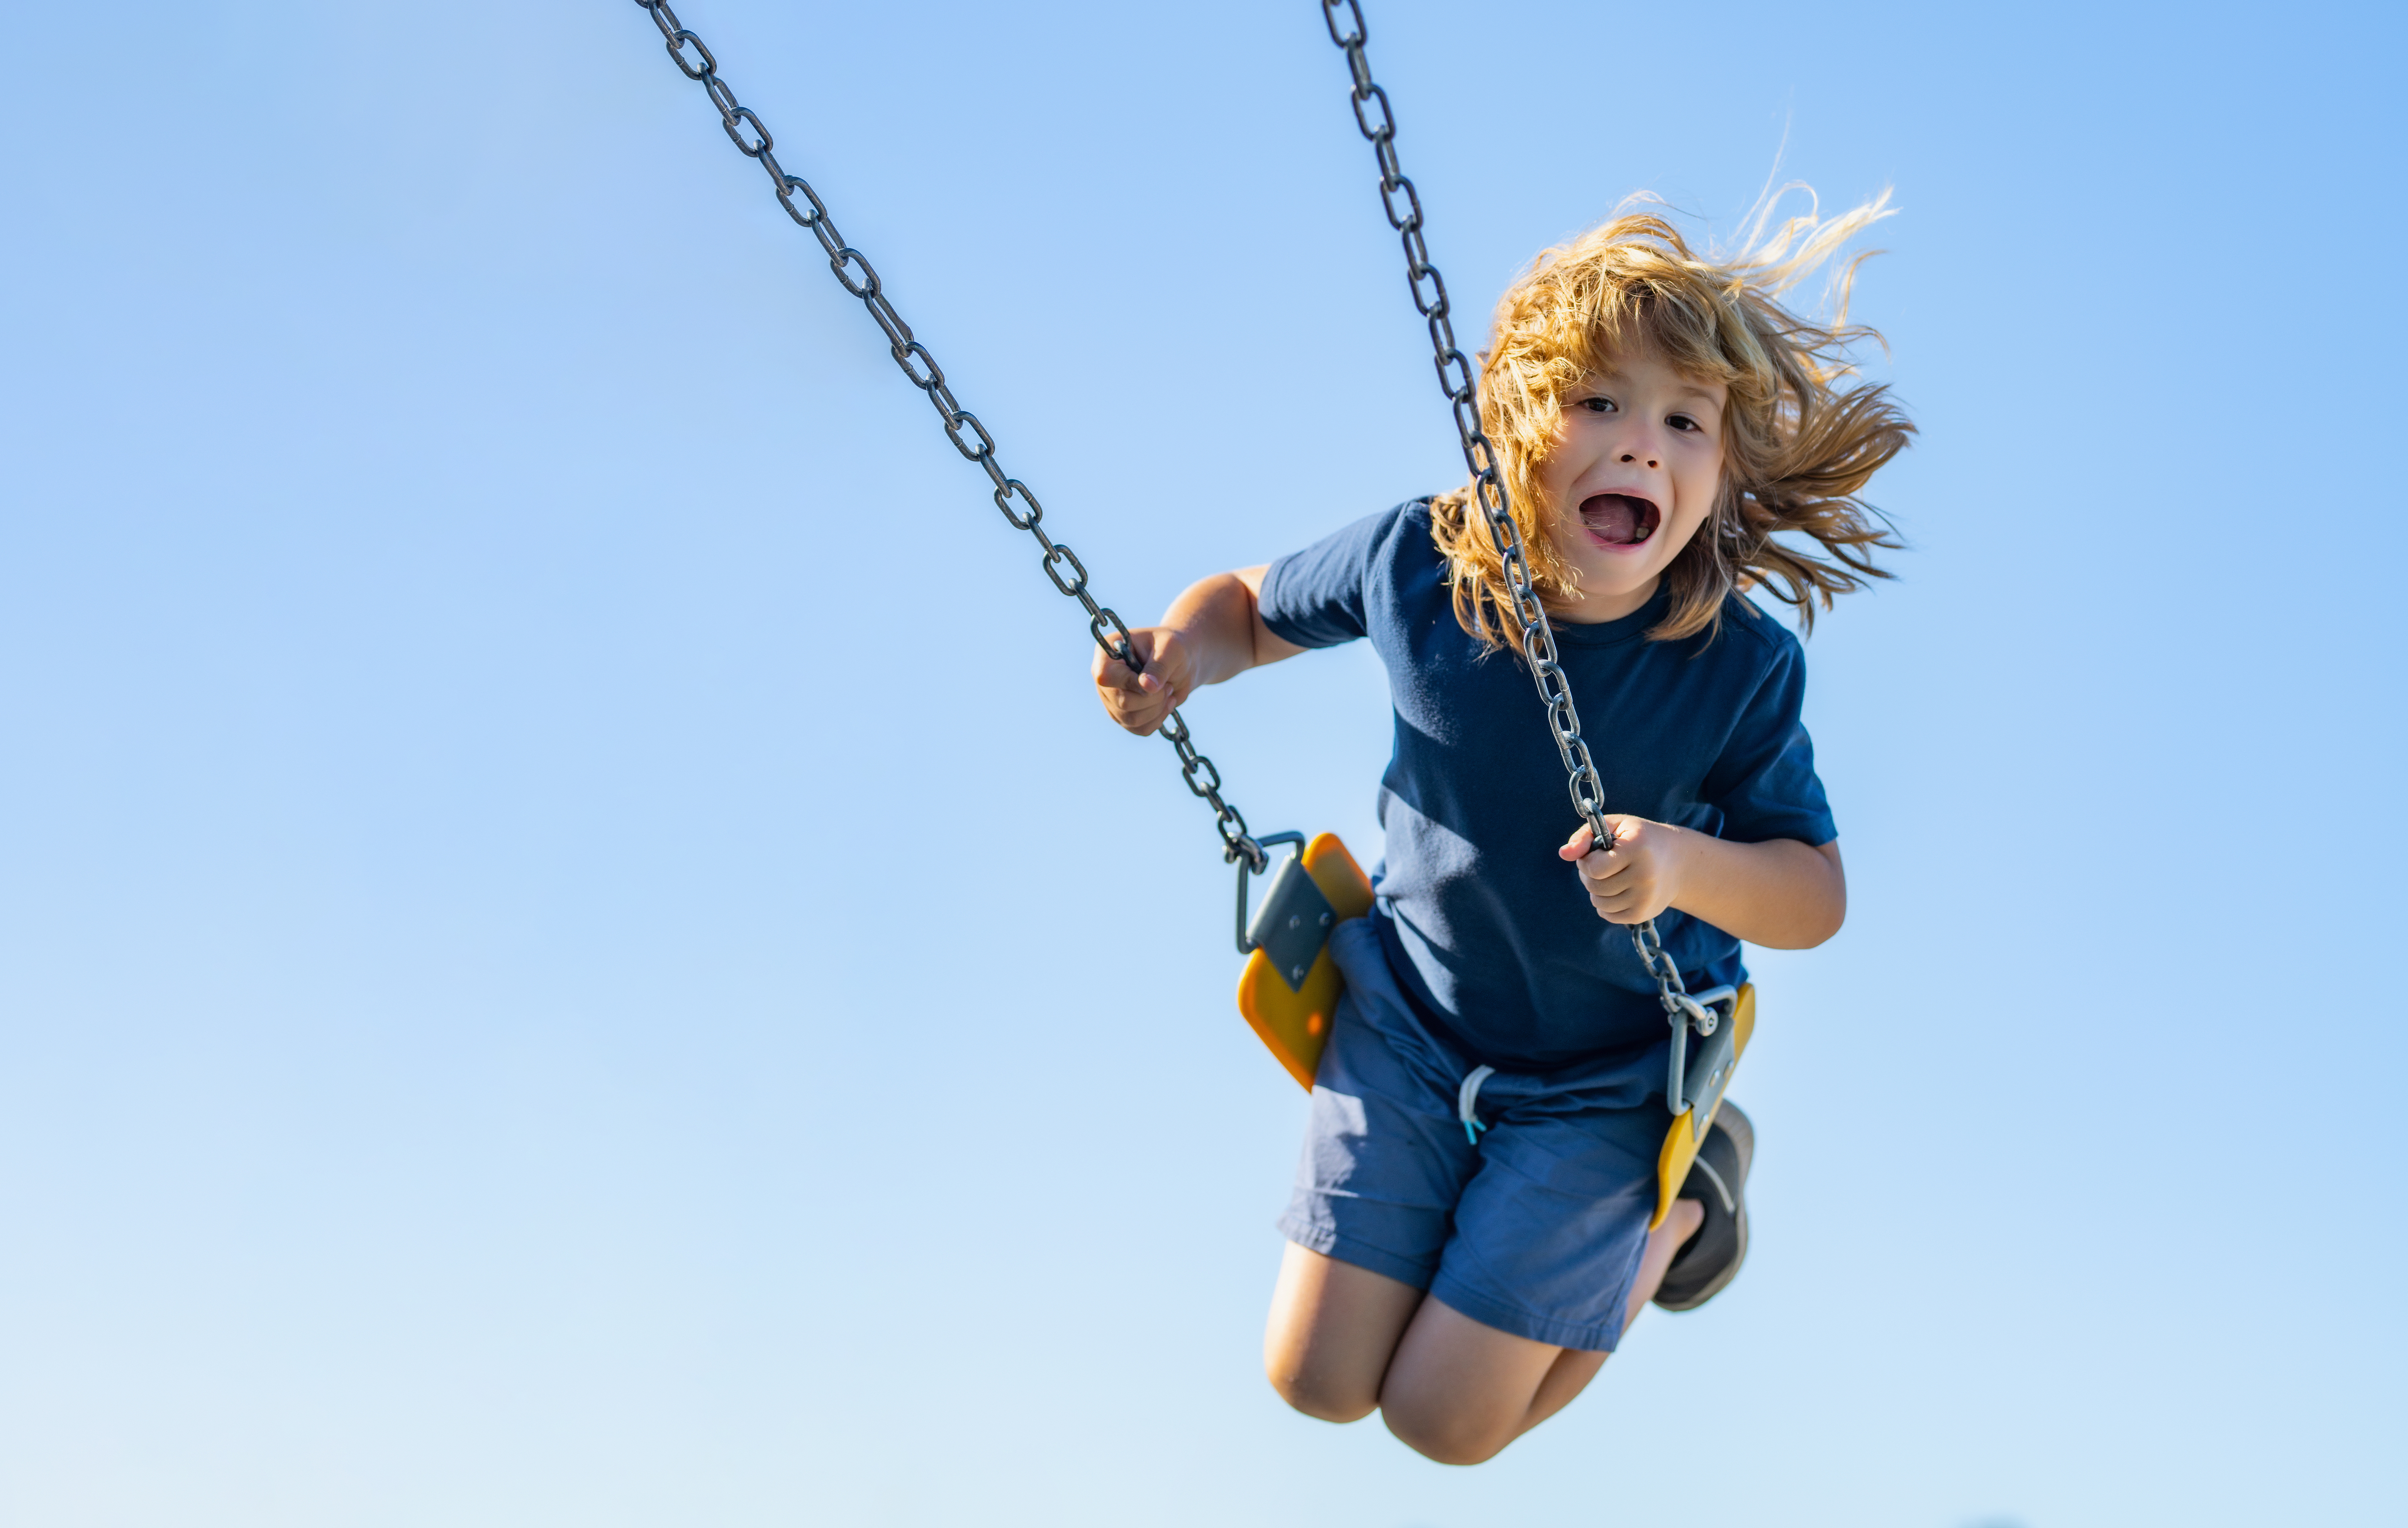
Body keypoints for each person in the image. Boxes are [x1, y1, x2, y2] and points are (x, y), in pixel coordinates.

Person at [1092, 198, 1913, 1464]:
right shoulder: (1420, 563)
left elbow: (1814, 894)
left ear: (1719, 474)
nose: (1639, 445)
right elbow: (1249, 608)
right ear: (1520, 420)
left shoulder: (1735, 665)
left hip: (1609, 1076)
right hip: (1412, 1023)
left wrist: (1679, 865)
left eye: (1683, 423)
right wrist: (1179, 653)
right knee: (1313, 1381)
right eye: (1600, 403)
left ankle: (1683, 1218)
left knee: (1446, 1422)